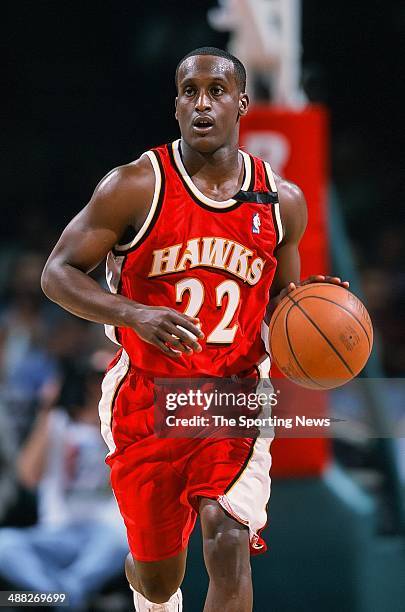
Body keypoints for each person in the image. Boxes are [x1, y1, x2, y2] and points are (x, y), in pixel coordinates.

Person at [41, 47, 348, 612]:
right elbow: (56, 273)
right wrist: (133, 312)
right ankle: (150, 585)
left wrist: (318, 312)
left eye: (217, 91)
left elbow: (284, 305)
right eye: (190, 92)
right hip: (146, 398)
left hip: (234, 396)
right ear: (176, 106)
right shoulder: (134, 185)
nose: (202, 103)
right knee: (159, 579)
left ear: (242, 105)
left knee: (227, 536)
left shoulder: (282, 202)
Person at [0, 357, 128, 610]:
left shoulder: (125, 427)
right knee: (4, 543)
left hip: (104, 535)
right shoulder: (57, 423)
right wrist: (47, 408)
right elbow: (27, 476)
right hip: (56, 533)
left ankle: (61, 595)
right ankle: (67, 595)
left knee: (122, 542)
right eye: (93, 376)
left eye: (106, 375)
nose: (98, 384)